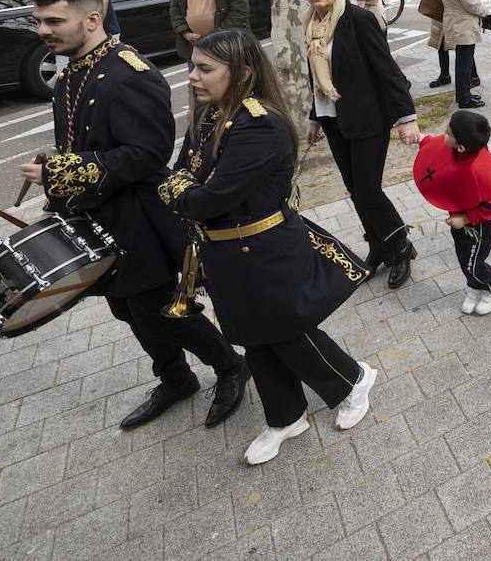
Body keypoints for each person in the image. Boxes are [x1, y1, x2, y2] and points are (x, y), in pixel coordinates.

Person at [20, 0, 246, 431]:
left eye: (54, 20)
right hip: (94, 218)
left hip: (139, 219)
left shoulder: (129, 73)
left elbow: (147, 154)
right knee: (126, 309)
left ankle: (230, 367)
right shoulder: (70, 73)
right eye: (38, 20)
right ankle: (175, 378)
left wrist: (61, 172)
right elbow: (90, 140)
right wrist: (57, 163)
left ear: (91, 19)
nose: (43, 30)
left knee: (163, 311)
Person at [158, 30, 375, 465]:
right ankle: (286, 416)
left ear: (241, 74)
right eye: (192, 67)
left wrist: (182, 189)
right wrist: (183, 187)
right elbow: (181, 173)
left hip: (263, 250)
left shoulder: (259, 126)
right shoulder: (209, 115)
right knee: (252, 337)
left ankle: (353, 380)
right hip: (224, 252)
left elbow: (202, 199)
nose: (192, 77)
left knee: (286, 332)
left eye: (205, 69)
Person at [298, 0, 421, 289]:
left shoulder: (358, 20)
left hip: (368, 118)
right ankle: (379, 246)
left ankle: (399, 246)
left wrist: (406, 117)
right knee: (355, 191)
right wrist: (313, 119)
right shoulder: (310, 24)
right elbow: (316, 77)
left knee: (368, 191)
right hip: (333, 120)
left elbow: (388, 70)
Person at [412, 111, 491, 316]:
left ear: (461, 147)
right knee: (463, 256)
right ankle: (475, 287)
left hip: (478, 226)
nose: (444, 133)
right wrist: (420, 138)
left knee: (473, 261)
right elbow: (434, 147)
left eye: (448, 132)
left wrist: (466, 218)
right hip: (458, 219)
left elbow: (489, 205)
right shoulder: (458, 149)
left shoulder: (482, 169)